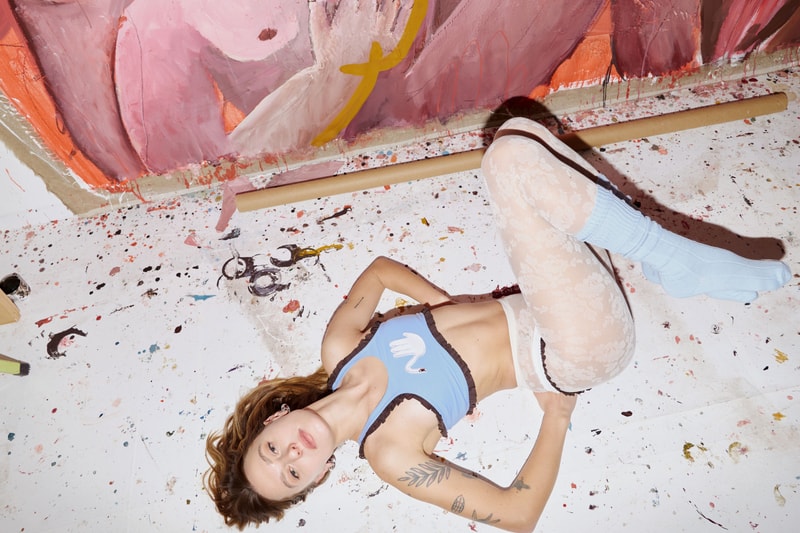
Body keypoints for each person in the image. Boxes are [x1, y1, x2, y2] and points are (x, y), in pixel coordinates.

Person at [203, 117, 791, 532]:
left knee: (522, 132)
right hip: (575, 347)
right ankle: (668, 257)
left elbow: (379, 272)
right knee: (508, 157)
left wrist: (442, 303)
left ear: (275, 419)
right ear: (317, 478)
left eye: (272, 448)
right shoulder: (389, 454)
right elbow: (517, 515)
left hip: (553, 291)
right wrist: (557, 417)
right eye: (291, 473)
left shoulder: (339, 348)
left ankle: (653, 257)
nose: (291, 453)